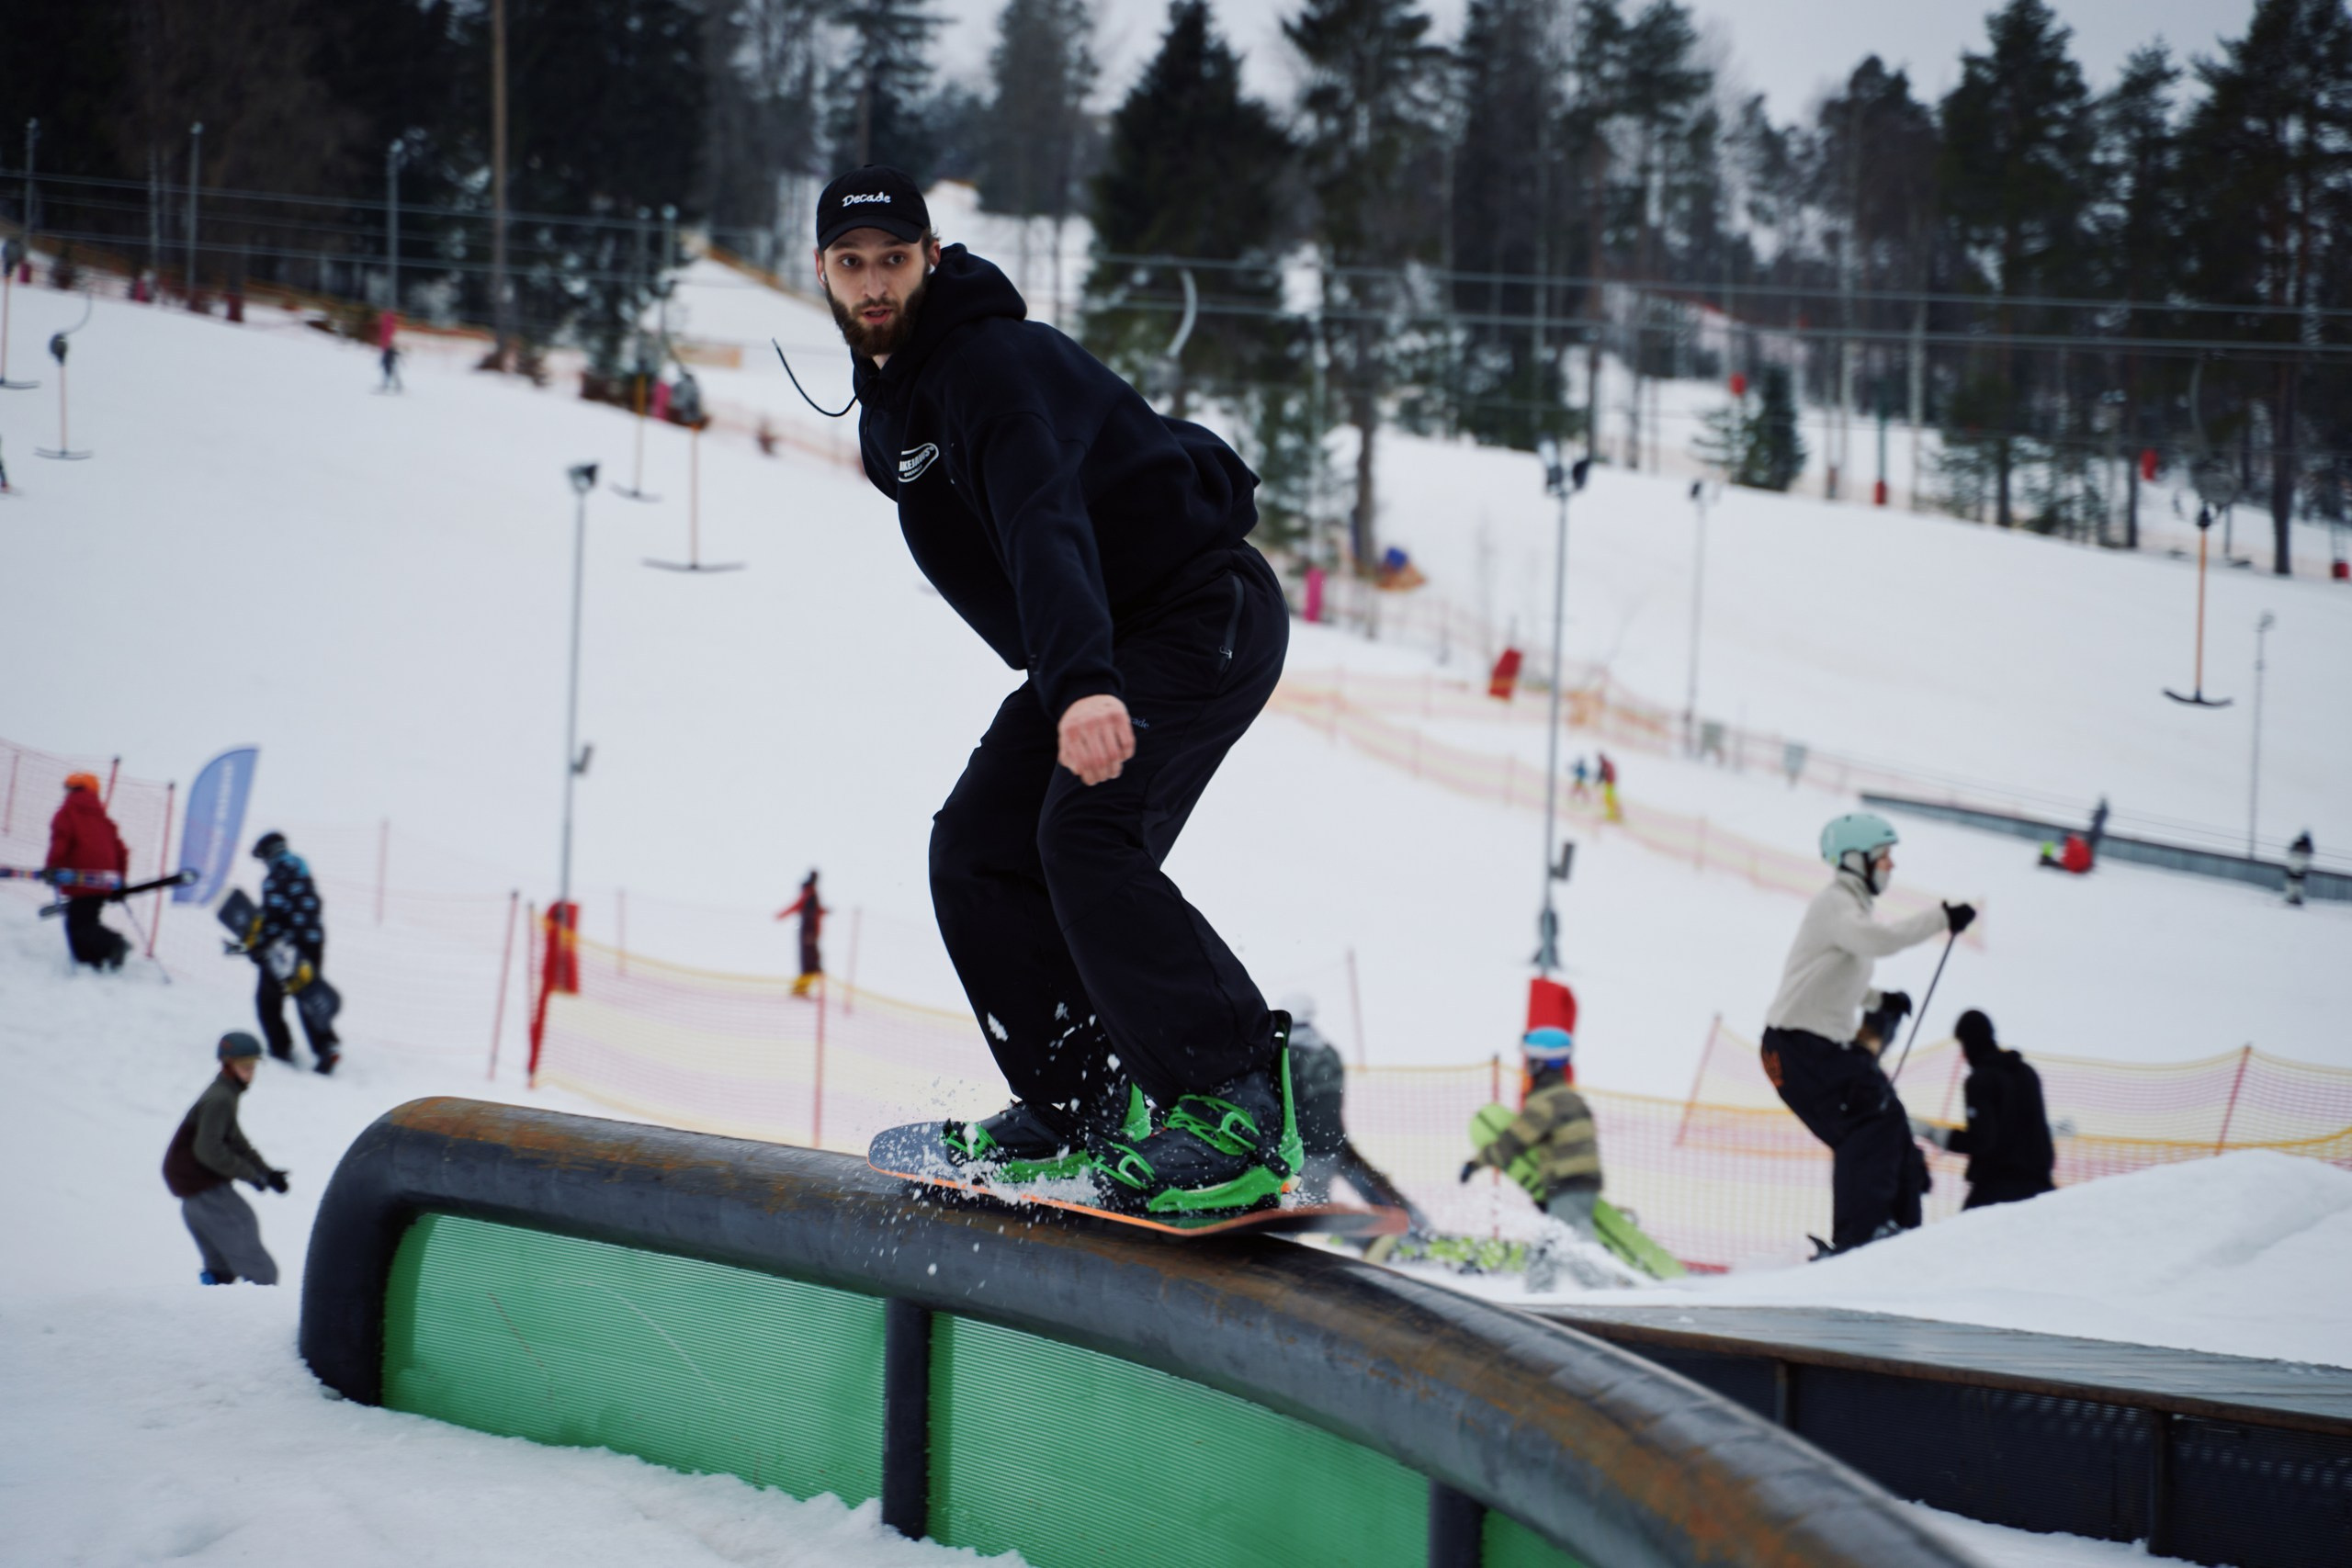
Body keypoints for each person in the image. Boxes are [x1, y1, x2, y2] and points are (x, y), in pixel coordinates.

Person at [816, 164, 1294, 1217]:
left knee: (1084, 835)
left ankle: (1237, 1108)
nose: (873, 284)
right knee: (977, 850)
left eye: (893, 260)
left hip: (1192, 609)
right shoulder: (892, 411)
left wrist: (1078, 685)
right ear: (824, 274)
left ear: (931, 259)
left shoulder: (984, 364)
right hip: (1102, 640)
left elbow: (1043, 516)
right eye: (852, 265)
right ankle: (1081, 1105)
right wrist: (1073, 670)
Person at [1760, 812, 1976, 1256]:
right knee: (1870, 1119)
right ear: (1855, 859)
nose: (1890, 867)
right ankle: (1862, 1238)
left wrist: (1880, 1001)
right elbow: (1876, 941)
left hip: (1817, 1047)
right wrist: (1941, 917)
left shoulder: (1850, 908)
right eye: (1884, 857)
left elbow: (1832, 976)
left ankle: (1899, 1233)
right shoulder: (1836, 902)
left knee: (1889, 1120)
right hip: (1797, 1045)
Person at [1460, 1026, 1609, 1291]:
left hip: (1568, 1186)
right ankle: (1541, 1293)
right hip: (1583, 1184)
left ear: (1540, 1064)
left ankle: (1604, 1294)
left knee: (1568, 1245)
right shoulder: (1572, 1099)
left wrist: (1475, 1164)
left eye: (1530, 1061)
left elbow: (1512, 1141)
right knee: (1553, 1244)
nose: (1527, 1067)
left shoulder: (1545, 1103)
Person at [162, 1032, 289, 1284]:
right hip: (205, 1192)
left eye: (253, 1066)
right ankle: (265, 1312)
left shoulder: (224, 1094)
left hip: (195, 1198)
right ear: (227, 1065)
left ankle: (216, 1293)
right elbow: (208, 1150)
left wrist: (266, 1173)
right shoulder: (220, 1099)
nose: (250, 1072)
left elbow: (235, 1142)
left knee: (221, 1268)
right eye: (244, 1066)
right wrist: (251, 1175)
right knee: (262, 1271)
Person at [1910, 1010, 2055, 1211]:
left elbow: (1982, 1140)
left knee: (1965, 1239)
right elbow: (2028, 1125)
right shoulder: (2027, 1072)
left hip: (1998, 1187)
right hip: (2041, 1186)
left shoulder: (1980, 1080)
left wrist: (1933, 1133)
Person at [242, 831, 339, 1072]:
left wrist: (258, 945)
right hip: (313, 942)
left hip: (287, 948)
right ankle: (326, 1046)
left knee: (268, 1000)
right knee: (308, 994)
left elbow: (272, 917)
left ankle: (280, 1048)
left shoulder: (276, 876)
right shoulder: (302, 870)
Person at [45, 773, 130, 970]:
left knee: (80, 924)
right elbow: (122, 852)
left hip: (81, 878)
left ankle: (114, 944)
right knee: (83, 921)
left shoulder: (67, 813)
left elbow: (61, 841)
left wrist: (52, 867)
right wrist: (120, 881)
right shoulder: (104, 820)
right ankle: (92, 962)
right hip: (106, 880)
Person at [776, 870, 827, 998]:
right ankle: (799, 989)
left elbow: (815, 910)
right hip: (808, 932)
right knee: (810, 962)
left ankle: (802, 989)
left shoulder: (812, 892)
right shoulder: (808, 892)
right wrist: (782, 915)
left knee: (813, 962)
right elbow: (798, 905)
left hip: (812, 932)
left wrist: (823, 911)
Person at [2285, 830, 2313, 908]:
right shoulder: (2308, 848)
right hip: (2301, 869)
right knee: (2299, 885)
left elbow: (2290, 853)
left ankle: (2291, 897)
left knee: (2292, 883)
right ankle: (2297, 898)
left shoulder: (2296, 844)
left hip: (2294, 867)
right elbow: (2308, 858)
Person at [1597, 752, 1622, 822]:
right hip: (1611, 783)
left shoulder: (1605, 765)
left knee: (1609, 799)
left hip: (1609, 784)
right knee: (1611, 799)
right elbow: (1603, 774)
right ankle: (1617, 813)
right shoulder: (1607, 764)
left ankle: (1613, 814)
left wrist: (1598, 781)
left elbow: (1602, 774)